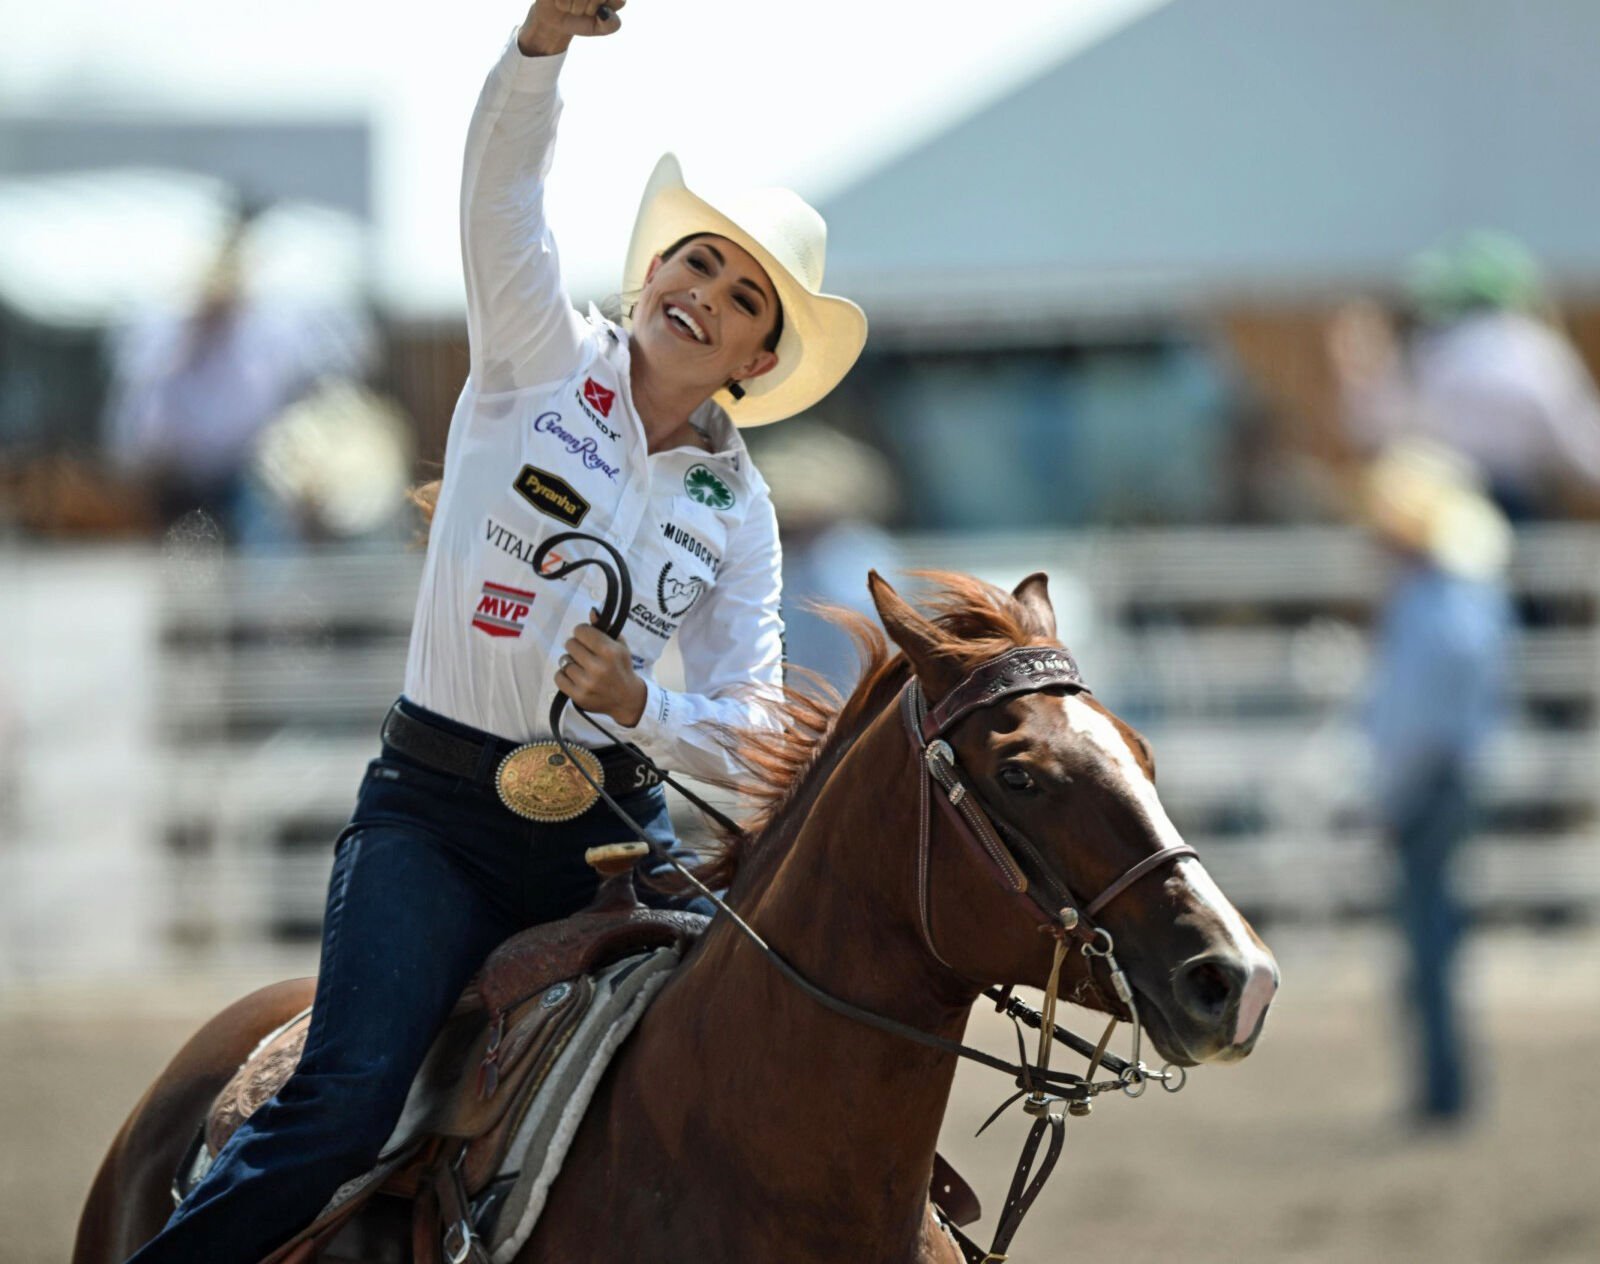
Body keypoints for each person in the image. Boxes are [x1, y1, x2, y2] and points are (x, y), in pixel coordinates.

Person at [124, 3, 866, 1259]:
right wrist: (541, 47)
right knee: (345, 1098)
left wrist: (645, 710)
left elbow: (750, 733)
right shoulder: (535, 350)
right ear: (656, 271)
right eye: (699, 262)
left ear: (753, 359)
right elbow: (500, 194)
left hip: (616, 836)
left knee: (744, 1068)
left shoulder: (739, 510)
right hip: (437, 817)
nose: (707, 295)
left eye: (745, 298)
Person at [1359, 440, 1513, 1125]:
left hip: (1431, 782)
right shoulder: (1461, 595)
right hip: (1447, 777)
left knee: (1428, 942)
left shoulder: (1432, 601)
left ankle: (1442, 1092)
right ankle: (1443, 1087)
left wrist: (1391, 794)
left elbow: (1414, 718)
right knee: (1433, 939)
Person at [1331, 231, 1600, 521]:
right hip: (1500, 503)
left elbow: (1381, 428)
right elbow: (1578, 440)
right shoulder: (1536, 349)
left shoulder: (1429, 348)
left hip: (1450, 506)